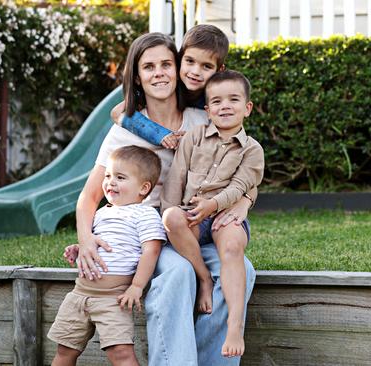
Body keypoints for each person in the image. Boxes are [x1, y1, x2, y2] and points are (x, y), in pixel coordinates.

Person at [65, 32, 256, 366]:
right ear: (136, 76)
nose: (159, 73)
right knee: (178, 273)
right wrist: (87, 239)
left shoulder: (203, 118)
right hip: (149, 236)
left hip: (193, 228)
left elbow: (244, 162)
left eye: (167, 64)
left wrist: (243, 203)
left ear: (178, 66)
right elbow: (89, 196)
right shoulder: (124, 130)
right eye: (148, 67)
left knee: (245, 269)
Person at [161, 70, 264, 358]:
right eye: (216, 101)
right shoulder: (193, 138)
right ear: (207, 110)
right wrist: (170, 212)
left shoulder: (253, 150)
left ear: (247, 107)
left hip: (225, 214)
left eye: (233, 99)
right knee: (171, 219)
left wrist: (213, 205)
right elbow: (175, 179)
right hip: (191, 214)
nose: (225, 106)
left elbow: (241, 186)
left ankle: (234, 326)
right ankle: (204, 278)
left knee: (232, 248)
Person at [48, 145, 166, 366]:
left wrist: (137, 286)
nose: (110, 182)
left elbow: (152, 249)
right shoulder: (102, 213)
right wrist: (79, 247)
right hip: (79, 295)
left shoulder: (145, 214)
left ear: (144, 187)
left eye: (120, 177)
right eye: (108, 175)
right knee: (65, 350)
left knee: (120, 353)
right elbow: (97, 243)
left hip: (113, 298)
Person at [110, 24, 229, 150]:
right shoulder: (168, 85)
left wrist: (193, 140)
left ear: (219, 70)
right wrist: (160, 135)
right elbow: (117, 112)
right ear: (180, 60)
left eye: (207, 66)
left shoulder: (219, 98)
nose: (195, 72)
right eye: (190, 61)